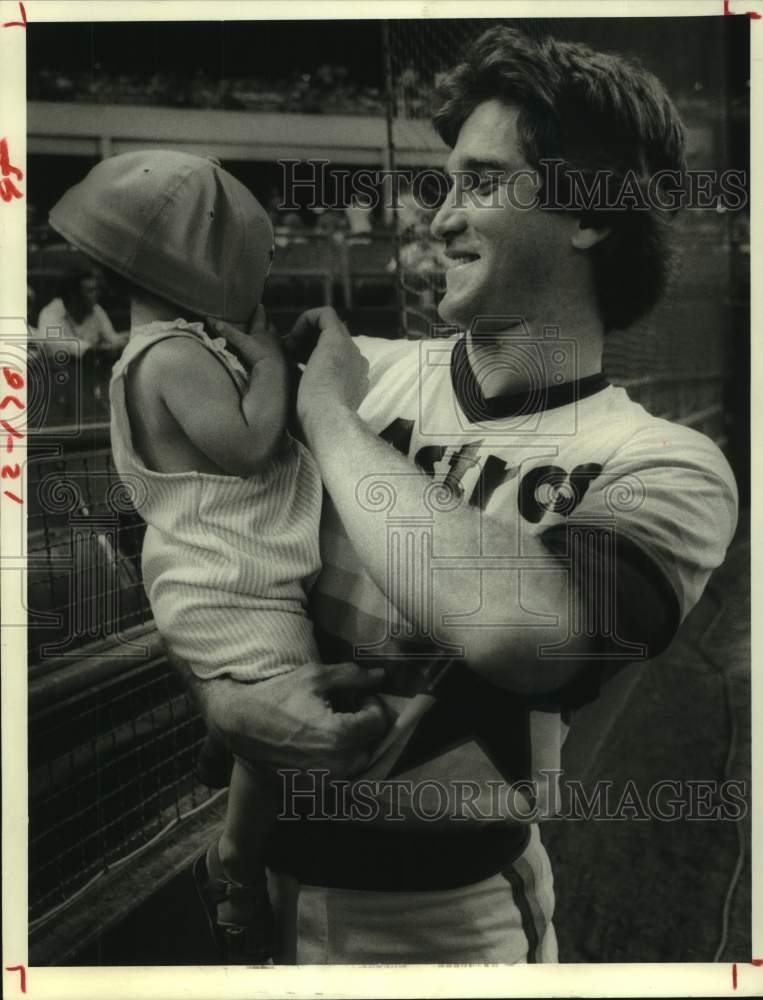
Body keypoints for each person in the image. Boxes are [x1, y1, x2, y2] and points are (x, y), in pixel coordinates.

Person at [188, 27, 739, 964]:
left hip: (447, 919)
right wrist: (217, 691)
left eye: (481, 184)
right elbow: (192, 549)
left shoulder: (665, 464)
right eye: (441, 185)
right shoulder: (366, 373)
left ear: (589, 214)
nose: (438, 218)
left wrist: (324, 414)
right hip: (258, 885)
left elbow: (519, 630)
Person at [46, 150, 388, 963]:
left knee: (262, 701)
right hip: (221, 583)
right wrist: (270, 364)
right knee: (287, 712)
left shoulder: (161, 348)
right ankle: (234, 858)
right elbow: (241, 449)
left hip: (215, 574)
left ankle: (226, 755)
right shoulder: (173, 354)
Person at [34, 267, 127, 355]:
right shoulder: (51, 312)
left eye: (96, 290)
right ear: (73, 295)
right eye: (90, 291)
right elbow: (52, 343)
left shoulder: (96, 309)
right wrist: (91, 350)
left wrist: (125, 340)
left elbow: (112, 338)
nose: (97, 294)